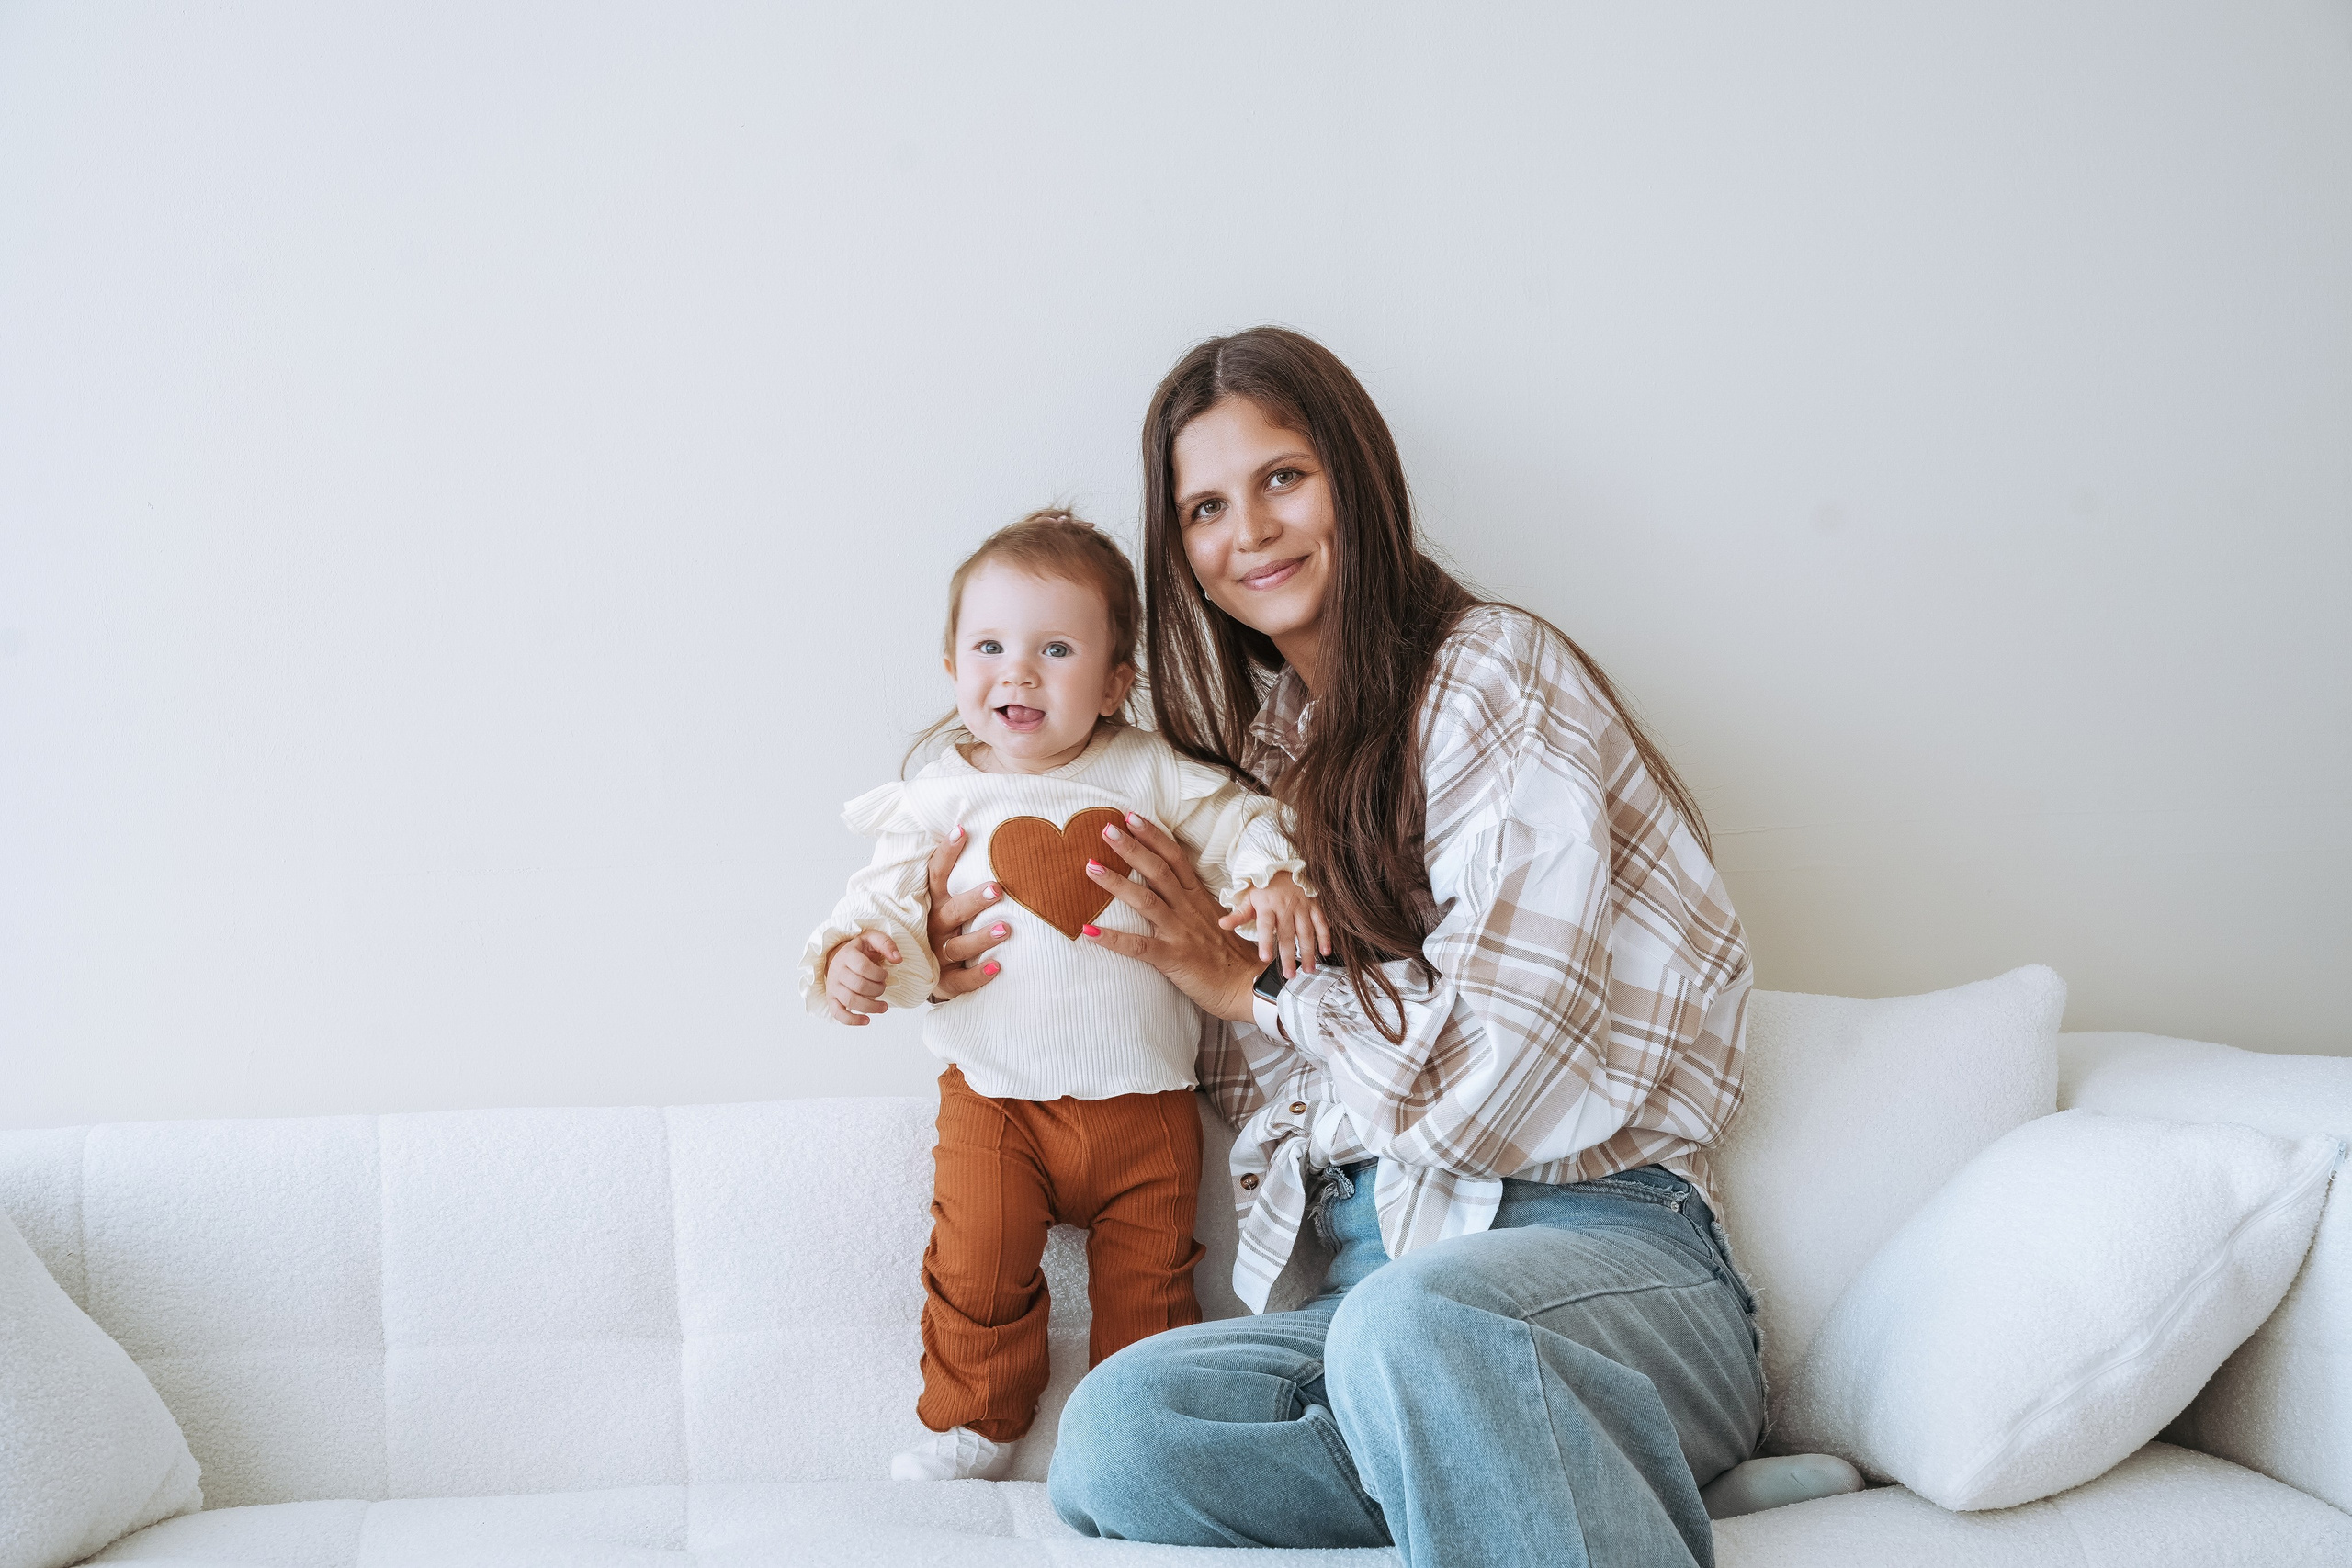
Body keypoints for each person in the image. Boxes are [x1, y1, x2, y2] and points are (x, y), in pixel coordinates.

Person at [1039, 330, 1767, 1568]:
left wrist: (1270, 991)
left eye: (1282, 477)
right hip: (1376, 1287)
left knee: (1413, 1331)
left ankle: (1598, 1427)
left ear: (1354, 477)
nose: (1250, 531)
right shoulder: (1256, 784)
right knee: (1120, 1428)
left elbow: (1509, 1056)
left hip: (1600, 1251)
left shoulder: (1498, 674)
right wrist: (955, 947)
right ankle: (1598, 1464)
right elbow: (1271, 1091)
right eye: (1207, 508)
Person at [803, 507, 1322, 1483]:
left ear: (1116, 681)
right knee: (976, 1260)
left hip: (1146, 1101)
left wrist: (1272, 876)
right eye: (989, 646)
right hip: (996, 1099)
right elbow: (876, 906)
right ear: (954, 666)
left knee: (1153, 1284)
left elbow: (1236, 817)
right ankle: (977, 1421)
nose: (1017, 672)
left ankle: (1137, 1433)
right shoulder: (936, 798)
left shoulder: (1148, 773)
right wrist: (854, 959)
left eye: (1054, 648)